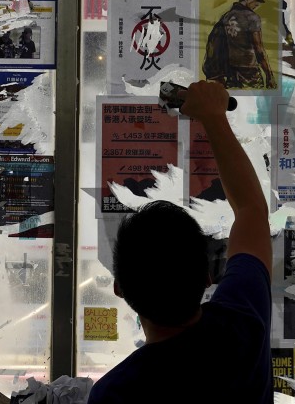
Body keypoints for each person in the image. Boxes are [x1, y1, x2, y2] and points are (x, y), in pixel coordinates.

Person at [87, 80, 271, 404]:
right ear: (206, 277)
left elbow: (251, 211)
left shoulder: (114, 395)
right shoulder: (243, 324)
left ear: (121, 289)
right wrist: (214, 117)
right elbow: (251, 209)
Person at [202, 0, 277, 90]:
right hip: (250, 74)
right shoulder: (252, 17)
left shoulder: (226, 17)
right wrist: (269, 76)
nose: (257, 4)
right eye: (256, 0)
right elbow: (259, 50)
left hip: (231, 74)